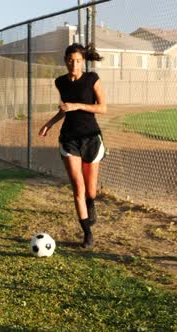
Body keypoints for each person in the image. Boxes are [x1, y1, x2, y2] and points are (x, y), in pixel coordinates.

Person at [38, 43, 107, 248]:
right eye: (70, 60)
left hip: (91, 137)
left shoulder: (92, 79)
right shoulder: (60, 82)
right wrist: (49, 124)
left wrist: (77, 105)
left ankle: (91, 203)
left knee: (90, 190)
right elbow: (64, 110)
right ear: (65, 61)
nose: (74, 64)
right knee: (78, 187)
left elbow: (102, 108)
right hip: (69, 139)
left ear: (83, 61)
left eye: (78, 61)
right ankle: (87, 233)